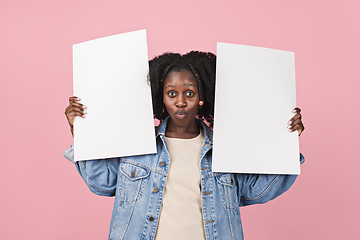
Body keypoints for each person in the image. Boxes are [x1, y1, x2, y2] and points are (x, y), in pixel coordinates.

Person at [64, 51, 305, 240]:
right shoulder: (137, 146)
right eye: (172, 94)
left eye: (189, 94)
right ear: (161, 97)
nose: (180, 102)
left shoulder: (224, 150)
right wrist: (83, 132)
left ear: (202, 97)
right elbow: (101, 183)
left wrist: (286, 139)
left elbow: (258, 190)